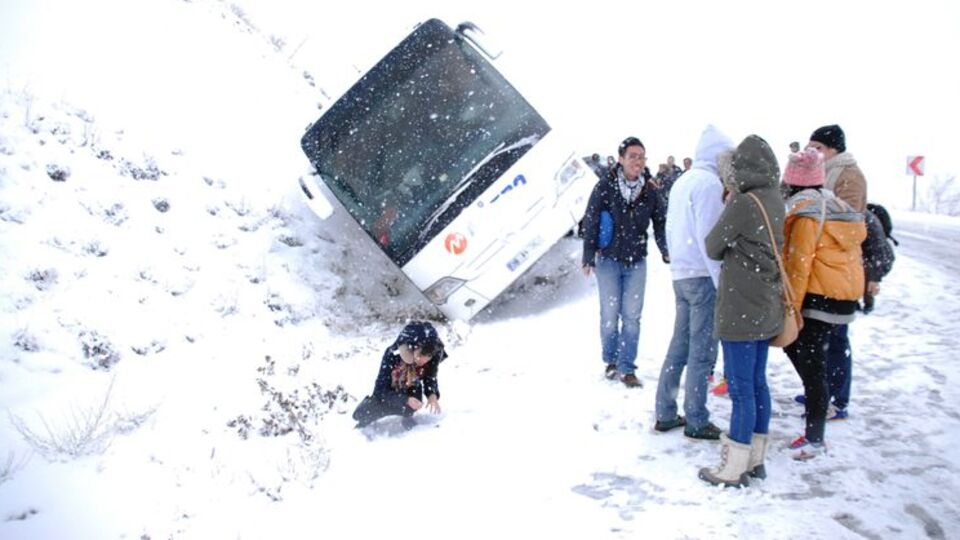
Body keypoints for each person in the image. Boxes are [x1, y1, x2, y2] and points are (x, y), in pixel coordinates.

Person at [699, 135, 785, 488]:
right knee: (758, 384)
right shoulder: (775, 200)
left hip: (740, 308)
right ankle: (755, 459)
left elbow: (712, 245)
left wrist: (731, 204)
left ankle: (733, 467)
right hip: (765, 306)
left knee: (740, 388)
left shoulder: (744, 203)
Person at [781, 147, 866, 460]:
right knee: (819, 359)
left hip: (818, 297)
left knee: (808, 359)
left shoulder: (805, 212)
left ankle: (815, 435)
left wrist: (792, 305)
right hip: (843, 297)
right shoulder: (837, 205)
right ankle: (823, 408)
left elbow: (799, 263)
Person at [654, 125, 733, 440]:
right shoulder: (710, 185)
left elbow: (673, 228)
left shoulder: (683, 181)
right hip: (702, 277)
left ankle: (665, 410)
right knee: (702, 351)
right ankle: (697, 418)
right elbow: (709, 239)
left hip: (682, 275)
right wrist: (720, 281)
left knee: (679, 347)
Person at [581, 136, 668, 388]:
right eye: (633, 156)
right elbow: (591, 219)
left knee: (632, 316)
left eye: (641, 157)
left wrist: (665, 249)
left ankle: (627, 367)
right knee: (609, 314)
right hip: (608, 260)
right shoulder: (605, 186)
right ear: (621, 159)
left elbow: (660, 222)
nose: (638, 162)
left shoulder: (650, 190)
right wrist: (588, 255)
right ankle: (611, 360)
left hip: (637, 261)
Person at [795, 124, 868, 421]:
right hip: (821, 269)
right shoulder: (822, 173)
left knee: (836, 338)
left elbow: (848, 222)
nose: (813, 152)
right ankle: (819, 390)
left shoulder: (849, 175)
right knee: (816, 338)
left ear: (834, 149)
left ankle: (837, 398)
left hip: (838, 271)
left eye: (818, 147)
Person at [352, 321, 447, 429]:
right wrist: (405, 399)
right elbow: (380, 391)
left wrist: (432, 394)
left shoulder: (434, 351)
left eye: (429, 357)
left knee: (410, 407)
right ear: (412, 349)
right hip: (390, 393)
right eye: (420, 355)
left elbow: (430, 377)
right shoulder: (392, 355)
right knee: (363, 414)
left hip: (412, 387)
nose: (424, 360)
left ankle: (407, 414)